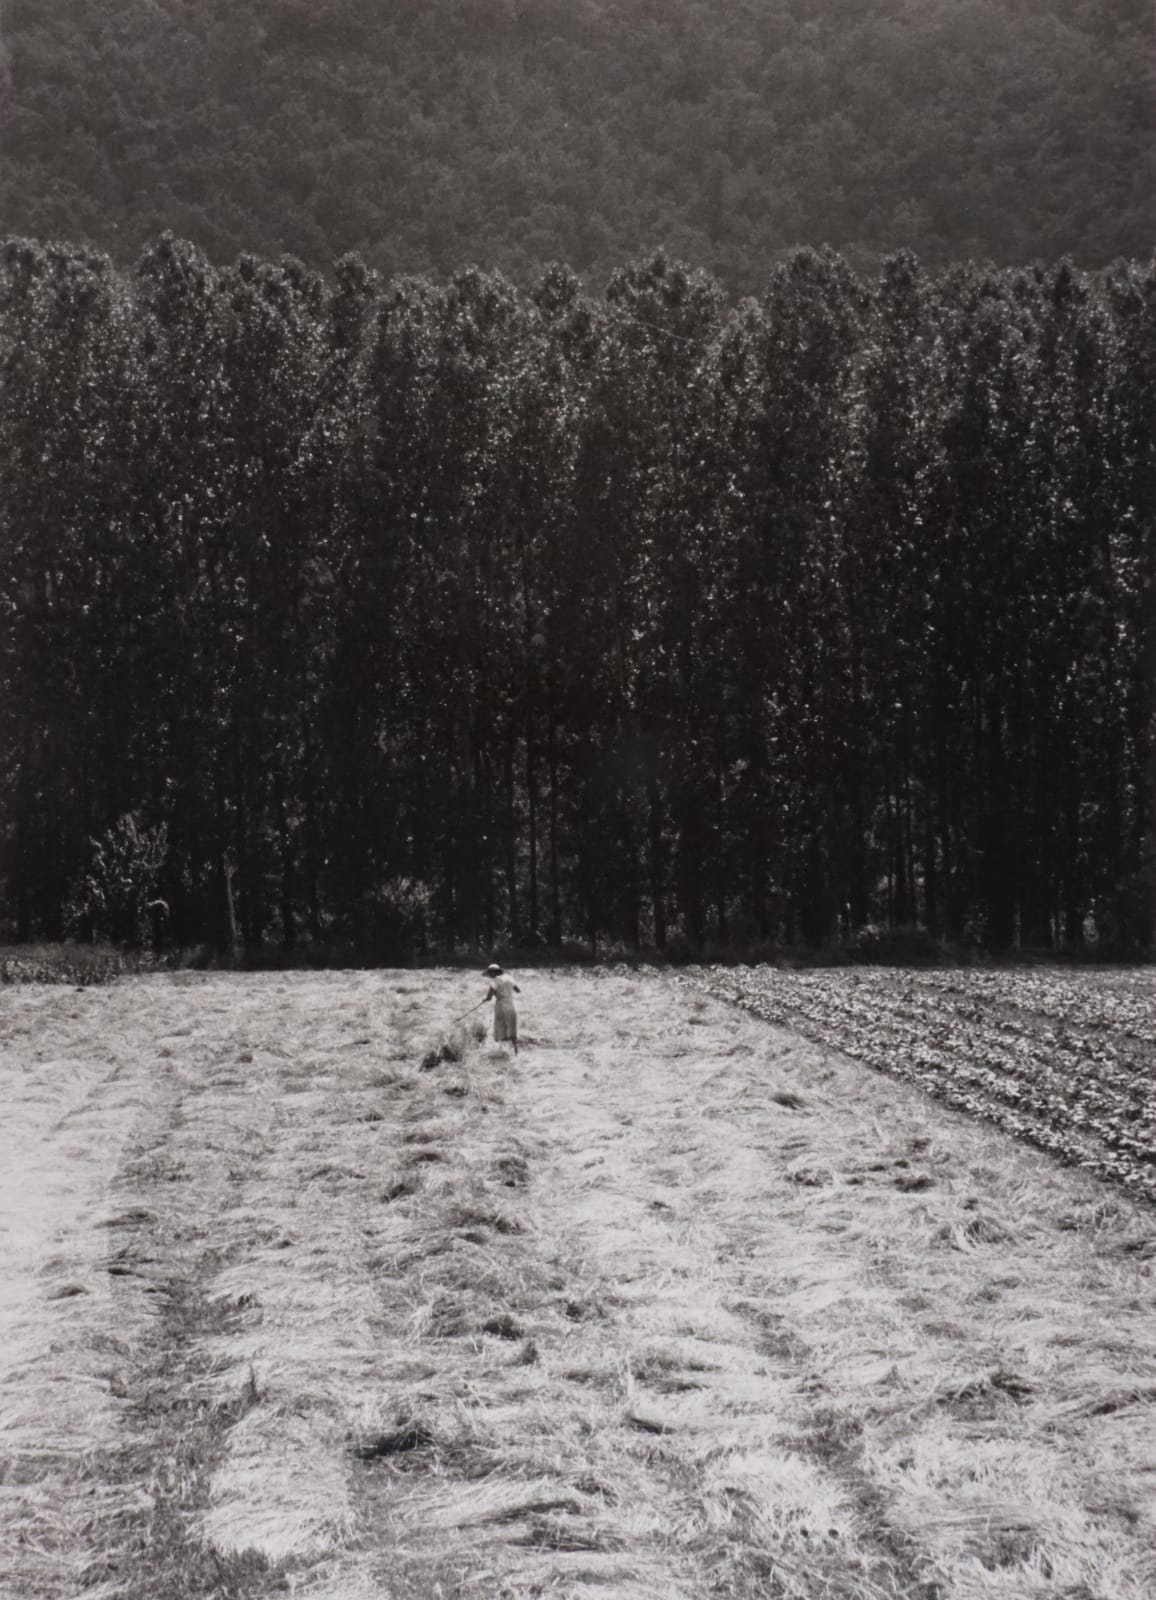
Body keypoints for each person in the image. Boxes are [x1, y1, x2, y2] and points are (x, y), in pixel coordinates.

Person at [484, 963, 520, 1054]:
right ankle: (516, 1053)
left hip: (500, 1007)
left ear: (493, 972)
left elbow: (489, 997)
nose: (490, 975)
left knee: (500, 1032)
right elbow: (518, 990)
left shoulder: (494, 981)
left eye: (490, 973)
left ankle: (502, 1053)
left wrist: (485, 999)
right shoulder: (509, 978)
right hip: (512, 1006)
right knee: (513, 1032)